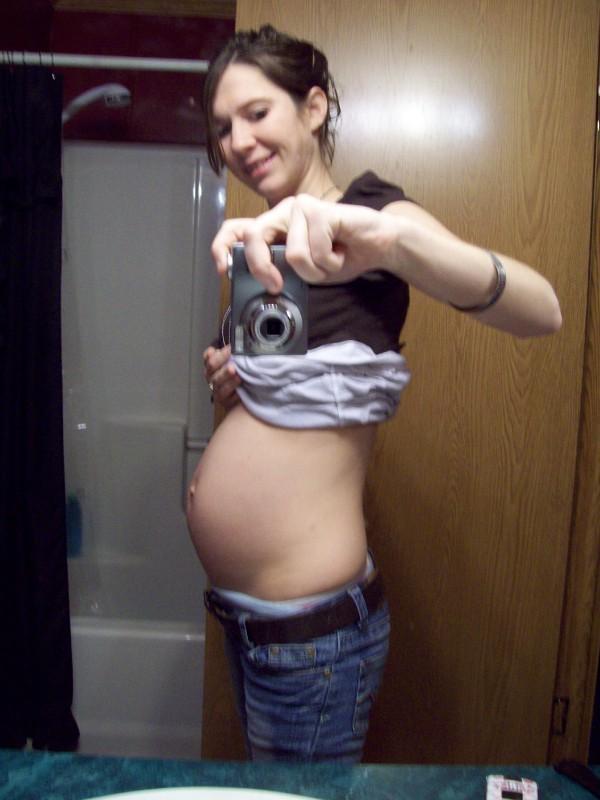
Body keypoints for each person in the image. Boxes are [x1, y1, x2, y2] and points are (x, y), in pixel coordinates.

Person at [186, 25, 561, 763]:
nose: (238, 141)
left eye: (257, 113)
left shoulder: (373, 212)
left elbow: (541, 309)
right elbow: (290, 423)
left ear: (313, 107)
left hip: (312, 637)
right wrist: (231, 388)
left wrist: (389, 242)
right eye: (223, 127)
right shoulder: (261, 246)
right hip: (251, 621)